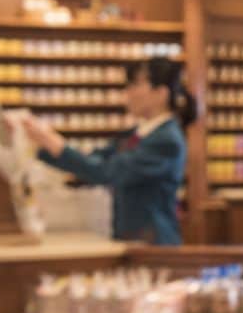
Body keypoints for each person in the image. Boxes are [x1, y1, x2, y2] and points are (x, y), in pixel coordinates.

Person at [18, 57, 193, 245]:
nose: (128, 92)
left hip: (154, 244)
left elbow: (106, 171)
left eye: (135, 85)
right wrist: (42, 146)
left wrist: (54, 144)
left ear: (161, 93)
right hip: (131, 239)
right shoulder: (136, 134)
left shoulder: (166, 140)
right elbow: (93, 159)